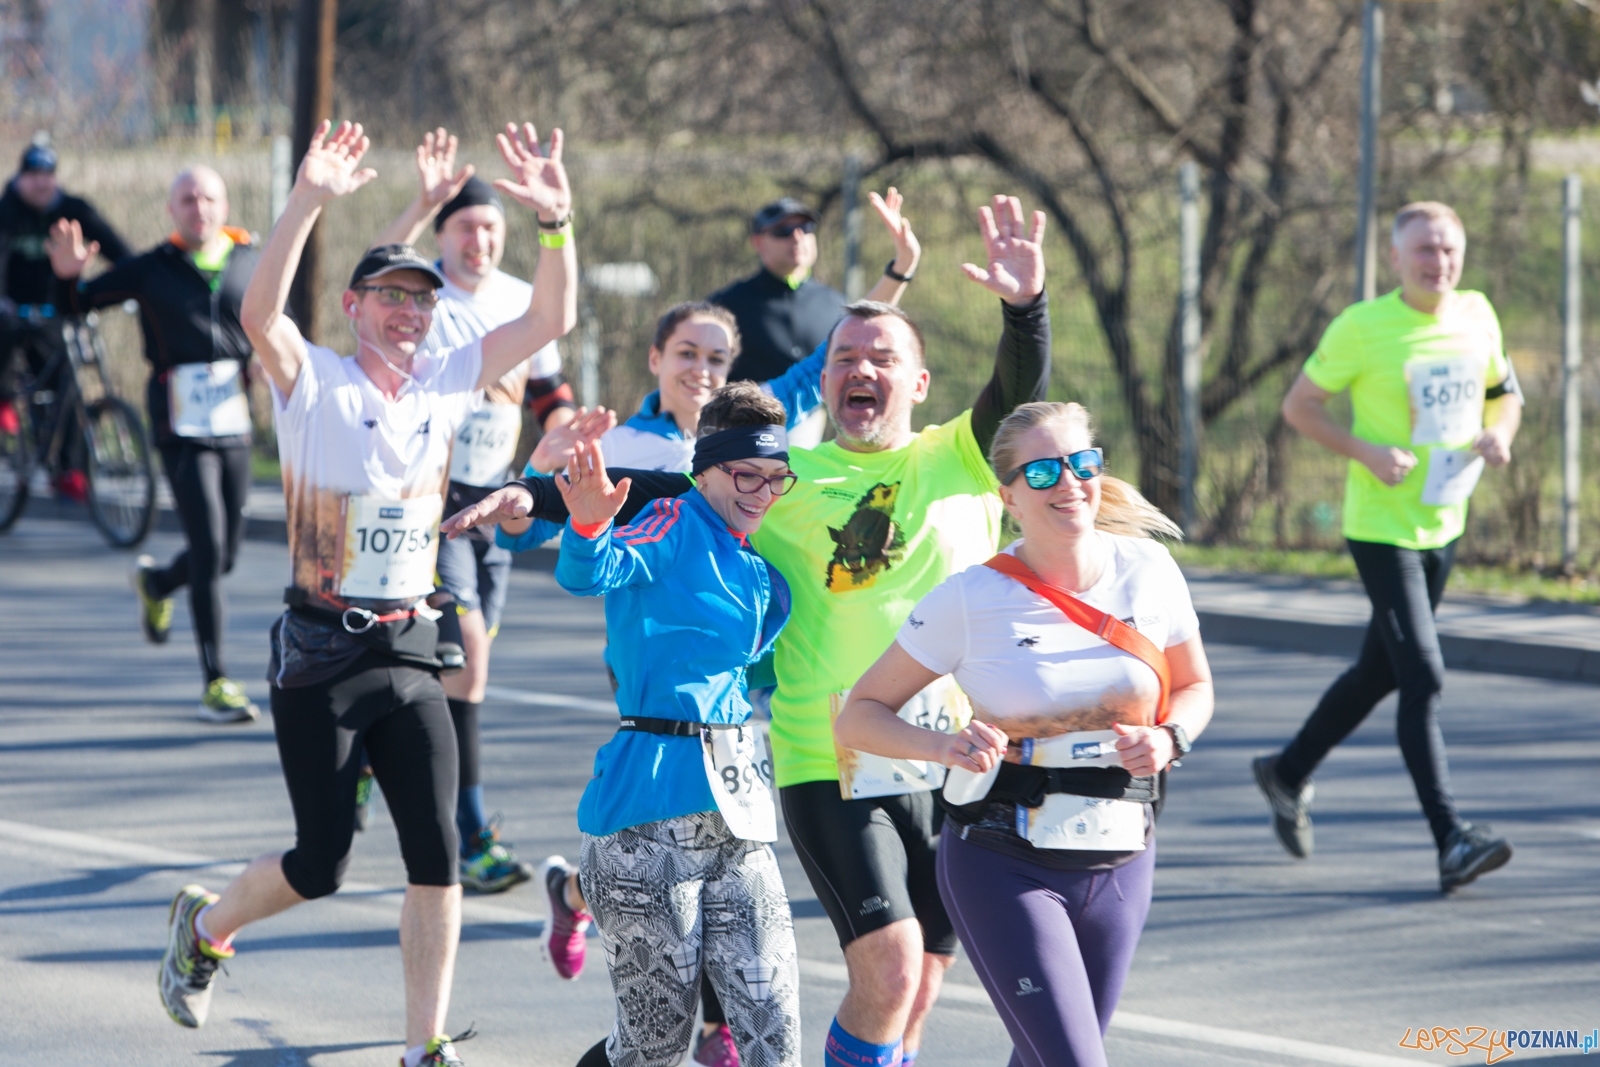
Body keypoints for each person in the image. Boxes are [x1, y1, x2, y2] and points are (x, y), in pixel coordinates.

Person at [446, 195, 1052, 1067]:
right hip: (827, 755)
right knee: (866, 971)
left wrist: (1024, 310)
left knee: (909, 984)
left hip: (943, 752)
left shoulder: (955, 454)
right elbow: (665, 495)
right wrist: (541, 500)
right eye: (844, 354)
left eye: (882, 354)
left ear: (918, 382)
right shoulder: (785, 472)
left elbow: (1016, 389)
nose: (860, 367)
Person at [155, 118, 575, 1067]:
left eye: (420, 300)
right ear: (353, 307)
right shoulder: (316, 382)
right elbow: (259, 314)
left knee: (436, 853)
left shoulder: (447, 382)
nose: (409, 313)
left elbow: (548, 321)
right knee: (322, 863)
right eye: (390, 297)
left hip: (410, 645)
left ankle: (425, 1040)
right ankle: (208, 926)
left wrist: (558, 224)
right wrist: (307, 198)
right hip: (320, 653)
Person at [835, 401, 1216, 1067]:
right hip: (1002, 854)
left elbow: (1194, 686)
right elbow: (859, 712)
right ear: (1008, 494)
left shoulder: (1150, 570)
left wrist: (1171, 737)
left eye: (1082, 464)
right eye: (1042, 472)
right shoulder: (971, 598)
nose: (1070, 483)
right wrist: (942, 745)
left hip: (1124, 852)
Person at [1257, 200, 1523, 894]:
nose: (1440, 262)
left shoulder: (1476, 313)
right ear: (1397, 258)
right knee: (1423, 677)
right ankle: (1451, 839)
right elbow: (1299, 406)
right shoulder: (1363, 325)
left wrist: (1503, 433)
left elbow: (1505, 390)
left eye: (1450, 250)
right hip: (1381, 527)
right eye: (1425, 251)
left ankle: (1287, 771)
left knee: (1380, 671)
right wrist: (1365, 451)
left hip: (1445, 518)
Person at [553, 382, 802, 1067]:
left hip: (740, 819)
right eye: (744, 474)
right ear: (707, 465)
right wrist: (586, 525)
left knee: (772, 1034)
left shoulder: (759, 571)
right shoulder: (671, 520)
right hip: (647, 813)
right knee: (652, 1046)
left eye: (776, 478)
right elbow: (594, 571)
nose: (760, 491)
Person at [367, 127, 578, 891]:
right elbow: (371, 276)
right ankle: (474, 832)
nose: (481, 238)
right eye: (465, 226)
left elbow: (550, 393)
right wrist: (416, 209)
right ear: (445, 235)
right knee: (470, 658)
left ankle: (376, 748)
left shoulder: (523, 298)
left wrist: (565, 436)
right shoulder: (425, 298)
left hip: (500, 498)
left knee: (461, 667)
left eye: (491, 226)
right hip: (434, 502)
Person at [46, 165, 261, 722]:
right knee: (209, 548)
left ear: (225, 203)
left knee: (228, 554)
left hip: (235, 424)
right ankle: (216, 681)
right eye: (187, 199)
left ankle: (158, 581)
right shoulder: (150, 268)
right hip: (179, 425)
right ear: (172, 210)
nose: (199, 208)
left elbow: (276, 323)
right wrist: (67, 277)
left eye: (209, 197)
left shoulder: (250, 260)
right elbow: (73, 306)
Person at [710, 191, 919, 447]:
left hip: (820, 444)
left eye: (804, 227)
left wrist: (903, 263)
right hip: (742, 441)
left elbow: (867, 317)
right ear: (758, 241)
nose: (797, 236)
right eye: (782, 230)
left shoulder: (833, 301)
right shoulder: (726, 306)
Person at [0, 140, 132, 501]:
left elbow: (116, 248)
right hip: (12, 308)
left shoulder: (72, 210)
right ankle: (4, 401)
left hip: (55, 308)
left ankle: (68, 467)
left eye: (48, 175)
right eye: (34, 176)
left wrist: (137, 281)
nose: (42, 184)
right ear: (21, 178)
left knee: (68, 380)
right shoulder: (6, 211)